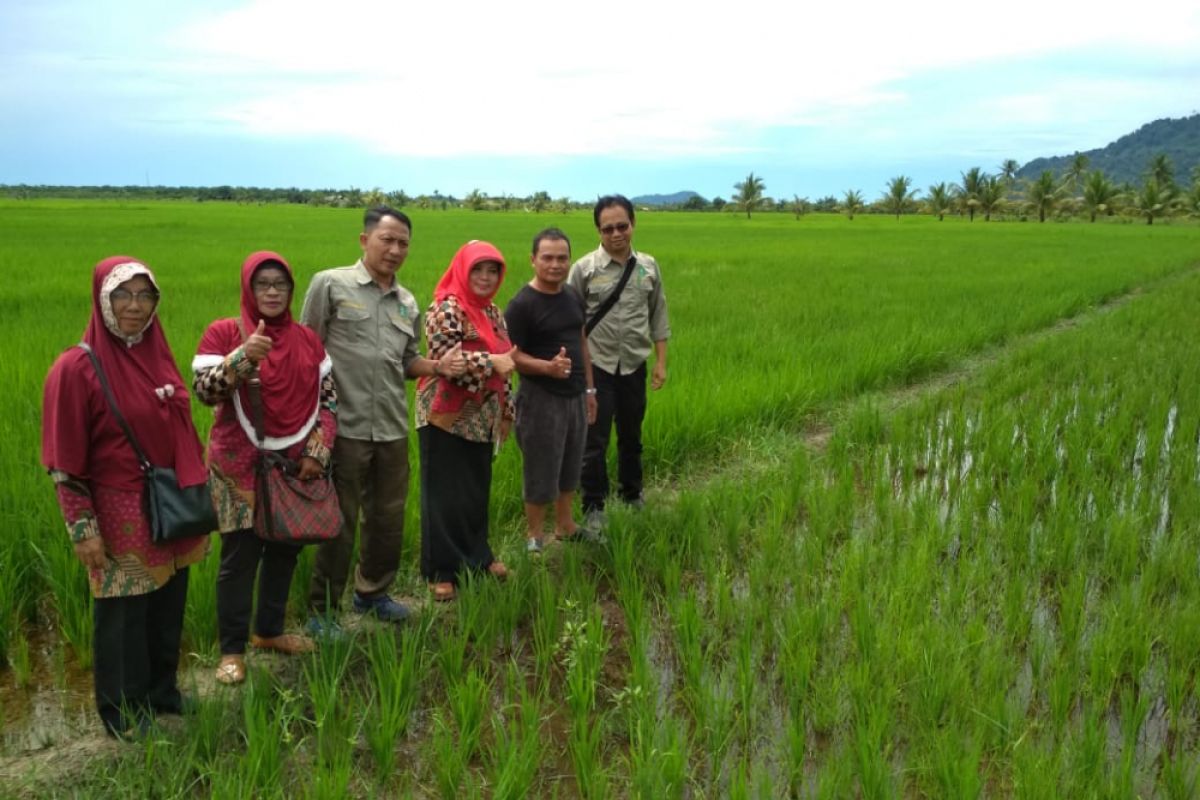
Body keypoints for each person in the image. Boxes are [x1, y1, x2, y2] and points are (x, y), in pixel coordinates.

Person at [42, 256, 210, 739]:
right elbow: (64, 463)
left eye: (145, 296)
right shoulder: (75, 368)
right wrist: (82, 528)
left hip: (169, 503)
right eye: (123, 295)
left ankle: (163, 692)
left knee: (167, 604)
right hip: (118, 512)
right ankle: (121, 712)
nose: (135, 307)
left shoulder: (156, 353)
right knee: (122, 615)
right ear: (101, 299)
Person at [300, 206, 466, 629]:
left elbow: (406, 361)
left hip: (391, 426)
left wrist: (437, 367)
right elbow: (305, 352)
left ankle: (372, 593)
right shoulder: (331, 285)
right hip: (344, 427)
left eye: (403, 243)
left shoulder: (406, 301)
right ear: (364, 240)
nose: (394, 250)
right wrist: (311, 424)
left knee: (388, 517)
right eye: (386, 240)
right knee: (338, 520)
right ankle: (322, 610)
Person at [192, 251, 336, 684]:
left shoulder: (308, 339)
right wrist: (242, 357)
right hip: (239, 468)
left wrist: (318, 450)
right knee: (240, 557)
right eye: (263, 285)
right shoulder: (224, 332)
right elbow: (204, 391)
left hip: (295, 465)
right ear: (249, 289)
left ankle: (268, 631)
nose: (272, 292)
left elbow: (329, 401)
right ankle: (231, 651)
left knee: (285, 549)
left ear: (291, 290)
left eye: (280, 284)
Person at [416, 241, 517, 601]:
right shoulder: (446, 308)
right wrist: (492, 363)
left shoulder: (492, 312)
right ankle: (441, 571)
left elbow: (509, 363)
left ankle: (478, 558)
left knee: (475, 489)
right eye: (478, 270)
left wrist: (507, 411)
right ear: (463, 270)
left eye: (493, 271)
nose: (486, 278)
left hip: (483, 417)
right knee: (443, 493)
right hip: (446, 415)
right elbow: (447, 363)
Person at [568, 195, 671, 527]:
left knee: (632, 433)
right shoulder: (583, 270)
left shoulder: (648, 267)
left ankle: (632, 493)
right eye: (607, 228)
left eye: (622, 226)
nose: (616, 234)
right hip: (596, 368)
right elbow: (569, 322)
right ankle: (594, 506)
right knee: (594, 440)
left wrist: (660, 362)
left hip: (633, 365)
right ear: (598, 230)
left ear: (633, 224)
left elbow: (658, 315)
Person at [505, 228, 597, 553]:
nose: (555, 265)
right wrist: (547, 367)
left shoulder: (572, 295)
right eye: (547, 258)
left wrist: (589, 389)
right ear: (533, 260)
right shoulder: (522, 304)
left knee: (572, 461)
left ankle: (565, 525)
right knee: (541, 466)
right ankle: (534, 535)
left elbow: (581, 341)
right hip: (539, 398)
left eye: (562, 258)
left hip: (574, 395)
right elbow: (510, 356)